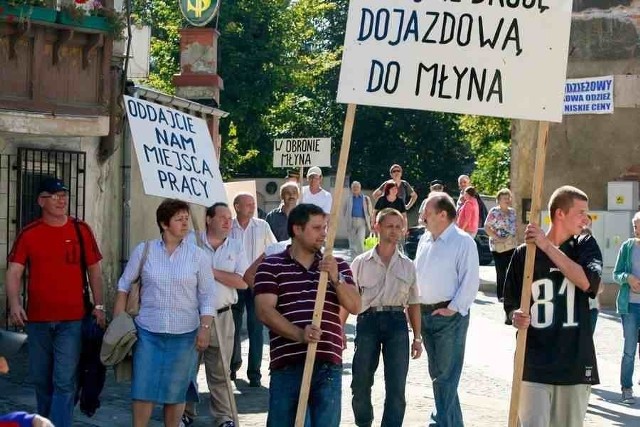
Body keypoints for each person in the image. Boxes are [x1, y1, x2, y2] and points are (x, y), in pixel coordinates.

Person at [6, 177, 105, 427]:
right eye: (54, 195)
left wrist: (100, 306)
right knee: (41, 380)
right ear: (41, 201)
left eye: (64, 194)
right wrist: (15, 303)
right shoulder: (29, 234)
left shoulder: (81, 230)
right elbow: (14, 271)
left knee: (64, 380)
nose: (62, 199)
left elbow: (94, 270)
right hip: (38, 320)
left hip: (72, 320)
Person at [254, 203, 361, 426]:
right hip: (288, 364)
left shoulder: (338, 265)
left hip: (327, 364)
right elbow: (264, 311)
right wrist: (299, 334)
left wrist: (335, 277)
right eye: (316, 228)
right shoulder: (271, 266)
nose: (323, 233)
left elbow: (355, 305)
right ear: (297, 229)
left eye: (325, 227)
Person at [113, 199, 217, 427]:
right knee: (143, 389)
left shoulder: (198, 256)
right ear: (164, 223)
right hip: (148, 332)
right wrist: (118, 322)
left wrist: (205, 328)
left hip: (185, 334)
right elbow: (124, 284)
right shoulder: (144, 250)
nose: (184, 223)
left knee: (176, 391)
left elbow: (208, 295)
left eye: (186, 219)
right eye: (179, 219)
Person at [504, 186, 602, 427]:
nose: (586, 219)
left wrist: (547, 246)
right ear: (560, 214)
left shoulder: (585, 245)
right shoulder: (523, 255)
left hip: (574, 364)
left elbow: (588, 282)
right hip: (533, 364)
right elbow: (510, 303)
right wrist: (514, 315)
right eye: (580, 213)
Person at [349, 208, 422, 427]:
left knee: (397, 386)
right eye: (389, 226)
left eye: (398, 226)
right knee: (360, 381)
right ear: (377, 227)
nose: (394, 231)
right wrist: (338, 330)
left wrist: (417, 338)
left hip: (396, 323)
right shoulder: (360, 262)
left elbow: (414, 302)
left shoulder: (408, 266)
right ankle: (364, 422)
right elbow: (348, 298)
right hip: (367, 322)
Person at [414, 192, 479, 426]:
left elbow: (470, 282)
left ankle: (437, 422)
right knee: (440, 377)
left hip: (449, 318)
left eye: (427, 213)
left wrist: (452, 310)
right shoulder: (425, 240)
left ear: (443, 215)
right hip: (425, 315)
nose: (422, 217)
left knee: (445, 377)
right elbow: (417, 274)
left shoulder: (463, 242)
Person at [188, 202, 249, 427]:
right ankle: (186, 412)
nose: (227, 221)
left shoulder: (236, 246)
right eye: (222, 217)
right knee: (187, 369)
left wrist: (211, 271)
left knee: (221, 370)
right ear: (208, 219)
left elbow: (242, 281)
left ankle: (224, 417)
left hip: (223, 315)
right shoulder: (191, 241)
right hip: (192, 317)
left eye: (229, 217)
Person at [229, 193, 276, 387]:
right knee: (232, 326)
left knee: (256, 328)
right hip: (234, 281)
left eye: (253, 204)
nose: (251, 207)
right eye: (247, 204)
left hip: (257, 282)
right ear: (237, 206)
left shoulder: (262, 226)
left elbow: (273, 249)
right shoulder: (228, 226)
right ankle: (232, 365)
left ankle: (254, 373)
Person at [612, 211, 640, 404]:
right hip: (629, 306)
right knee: (629, 349)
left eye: (639, 226)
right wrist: (628, 278)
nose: (636, 229)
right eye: (635, 226)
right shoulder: (627, 247)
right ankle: (626, 388)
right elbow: (616, 273)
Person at [484, 188, 517, 302]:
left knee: (512, 270)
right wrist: (498, 238)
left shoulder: (512, 212)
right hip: (497, 245)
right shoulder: (494, 212)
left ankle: (510, 293)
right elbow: (486, 227)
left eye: (508, 198)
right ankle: (501, 295)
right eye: (504, 198)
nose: (507, 200)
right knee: (501, 270)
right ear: (498, 200)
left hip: (511, 245)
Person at [342, 181, 373, 257]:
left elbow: (370, 210)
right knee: (352, 243)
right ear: (351, 189)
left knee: (360, 240)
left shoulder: (365, 198)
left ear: (360, 188)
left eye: (357, 187)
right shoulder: (348, 198)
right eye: (354, 187)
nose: (355, 188)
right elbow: (344, 210)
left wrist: (370, 222)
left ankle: (361, 258)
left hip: (361, 221)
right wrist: (347, 219)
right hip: (351, 221)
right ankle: (353, 260)